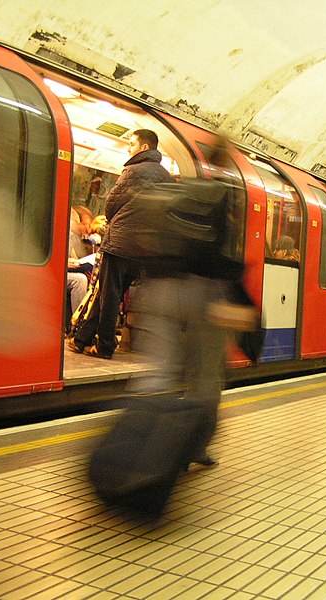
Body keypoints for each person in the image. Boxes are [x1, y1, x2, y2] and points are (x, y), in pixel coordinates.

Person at [128, 136, 249, 468]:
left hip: (161, 291)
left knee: (163, 373)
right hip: (204, 294)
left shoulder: (175, 191)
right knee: (207, 376)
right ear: (226, 159)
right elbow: (227, 254)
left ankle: (141, 442)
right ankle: (195, 447)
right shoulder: (226, 194)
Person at [69, 129, 175, 359]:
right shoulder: (167, 178)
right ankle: (82, 339)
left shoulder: (132, 171)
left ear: (144, 148)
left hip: (120, 244)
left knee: (108, 296)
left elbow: (111, 205)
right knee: (112, 294)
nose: (129, 148)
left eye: (132, 143)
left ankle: (105, 346)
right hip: (143, 250)